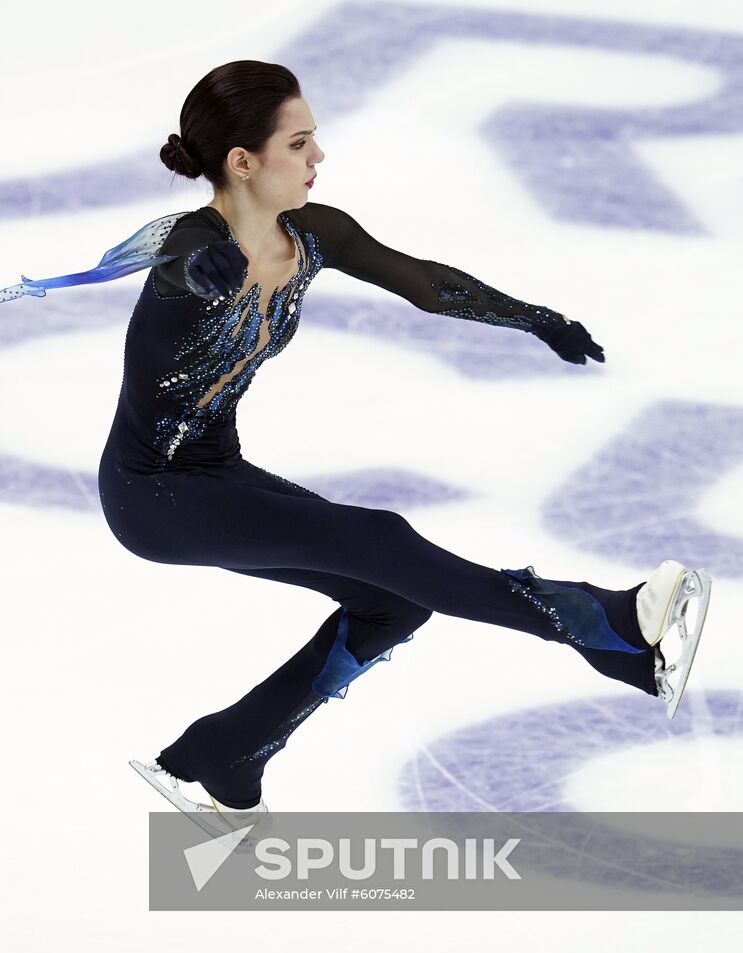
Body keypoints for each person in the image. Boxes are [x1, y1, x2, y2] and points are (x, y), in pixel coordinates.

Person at [0, 60, 710, 838]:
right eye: (299, 143)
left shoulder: (314, 233)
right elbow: (176, 263)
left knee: (394, 596)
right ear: (243, 162)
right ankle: (604, 627)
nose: (317, 158)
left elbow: (426, 284)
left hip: (217, 474)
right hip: (153, 495)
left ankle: (225, 753)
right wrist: (200, 271)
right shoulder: (194, 244)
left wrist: (536, 318)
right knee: (380, 538)